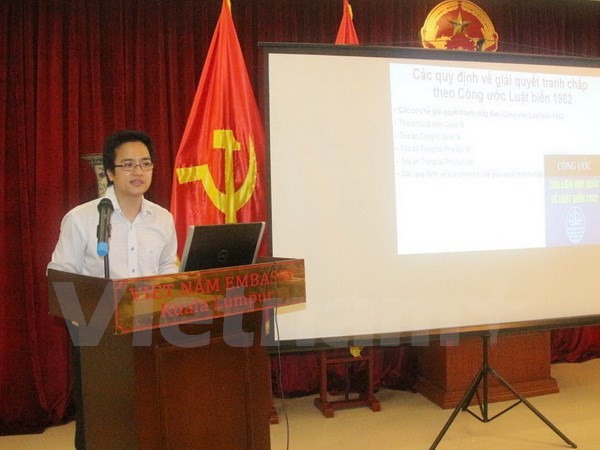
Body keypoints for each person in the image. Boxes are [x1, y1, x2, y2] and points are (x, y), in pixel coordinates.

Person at [47, 130, 179, 449]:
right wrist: (86, 326)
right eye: (128, 164)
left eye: (145, 164)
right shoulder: (81, 219)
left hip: (151, 331)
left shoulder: (163, 218)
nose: (138, 172)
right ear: (109, 172)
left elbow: (168, 268)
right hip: (98, 337)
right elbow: (59, 276)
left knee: (150, 413)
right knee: (100, 422)